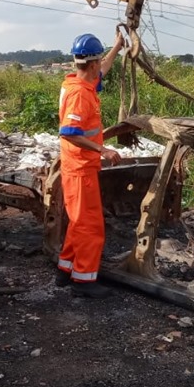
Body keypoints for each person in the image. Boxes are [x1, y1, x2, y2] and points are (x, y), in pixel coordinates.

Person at [55, 30, 126, 299]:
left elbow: (103, 70)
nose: (100, 69)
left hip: (77, 167)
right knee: (90, 226)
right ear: (92, 63)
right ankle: (83, 281)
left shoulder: (77, 82)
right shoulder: (79, 95)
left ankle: (65, 269)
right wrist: (103, 149)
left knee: (77, 222)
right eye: (99, 63)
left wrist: (118, 46)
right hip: (80, 168)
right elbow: (69, 132)